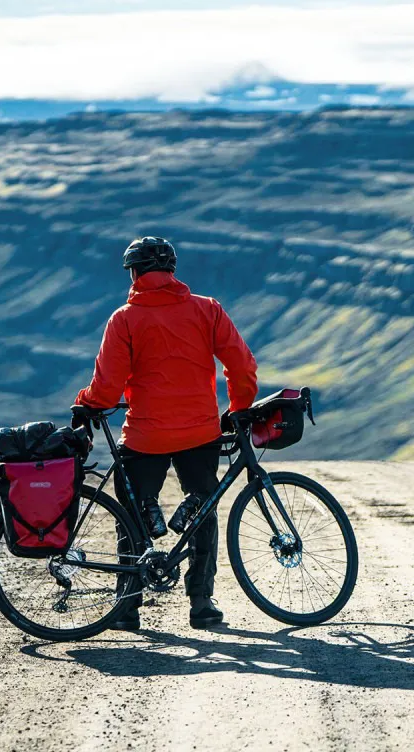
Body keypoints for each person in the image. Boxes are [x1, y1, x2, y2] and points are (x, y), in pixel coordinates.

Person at [73, 236, 258, 631]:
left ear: (135, 273)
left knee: (130, 516)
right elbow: (241, 366)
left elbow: (106, 387)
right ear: (172, 270)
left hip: (145, 436)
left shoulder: (124, 319)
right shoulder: (207, 310)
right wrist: (239, 409)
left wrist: (85, 401)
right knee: (204, 510)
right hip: (200, 433)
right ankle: (202, 603)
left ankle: (128, 606)